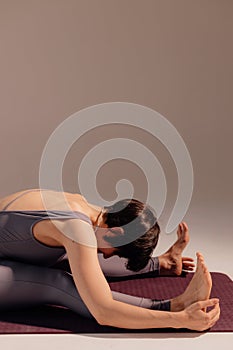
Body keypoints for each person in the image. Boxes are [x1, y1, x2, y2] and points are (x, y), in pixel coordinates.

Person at [0, 188, 220, 331]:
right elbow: (104, 312)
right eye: (116, 252)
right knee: (58, 281)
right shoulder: (76, 227)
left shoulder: (81, 205)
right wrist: (180, 320)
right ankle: (172, 306)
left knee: (78, 256)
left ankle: (164, 264)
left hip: (9, 253)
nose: (108, 255)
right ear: (115, 232)